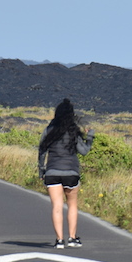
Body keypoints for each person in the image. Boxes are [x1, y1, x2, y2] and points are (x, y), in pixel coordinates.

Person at [37, 98, 94, 249]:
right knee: (72, 205)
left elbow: (42, 151)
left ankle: (59, 240)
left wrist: (41, 170)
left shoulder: (49, 130)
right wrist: (90, 137)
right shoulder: (74, 131)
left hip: (52, 171)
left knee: (57, 206)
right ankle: (73, 238)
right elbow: (84, 151)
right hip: (71, 172)